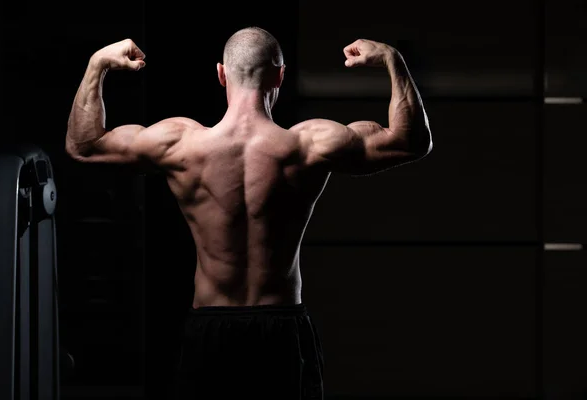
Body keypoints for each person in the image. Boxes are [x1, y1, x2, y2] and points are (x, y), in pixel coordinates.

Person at [66, 27, 432, 400]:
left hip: (210, 329)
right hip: (282, 329)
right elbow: (412, 141)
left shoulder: (180, 144)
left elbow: (83, 145)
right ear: (280, 75)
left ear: (222, 74)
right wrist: (392, 60)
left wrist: (97, 65)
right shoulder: (310, 145)